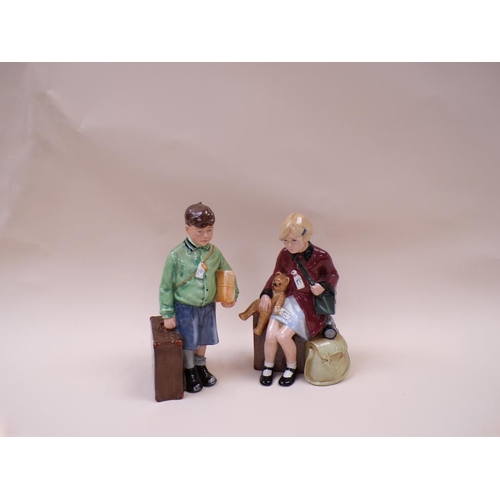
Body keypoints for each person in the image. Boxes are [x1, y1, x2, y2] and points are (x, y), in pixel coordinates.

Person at [159, 202, 238, 393]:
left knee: (204, 337)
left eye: (209, 230)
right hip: (186, 306)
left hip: (207, 305)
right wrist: (167, 313)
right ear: (187, 229)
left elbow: (227, 272)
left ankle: (200, 365)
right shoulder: (176, 255)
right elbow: (166, 286)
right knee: (189, 340)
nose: (206, 236)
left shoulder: (214, 252)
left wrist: (230, 295)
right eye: (200, 231)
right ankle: (189, 370)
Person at [258, 212, 339, 387]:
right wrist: (265, 292)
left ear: (305, 236)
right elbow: (276, 274)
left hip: (307, 304)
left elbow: (333, 275)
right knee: (271, 334)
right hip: (285, 300)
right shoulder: (284, 254)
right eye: (285, 241)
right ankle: (268, 366)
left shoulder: (321, 256)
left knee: (283, 336)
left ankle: (291, 367)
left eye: (294, 240)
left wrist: (322, 286)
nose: (289, 245)